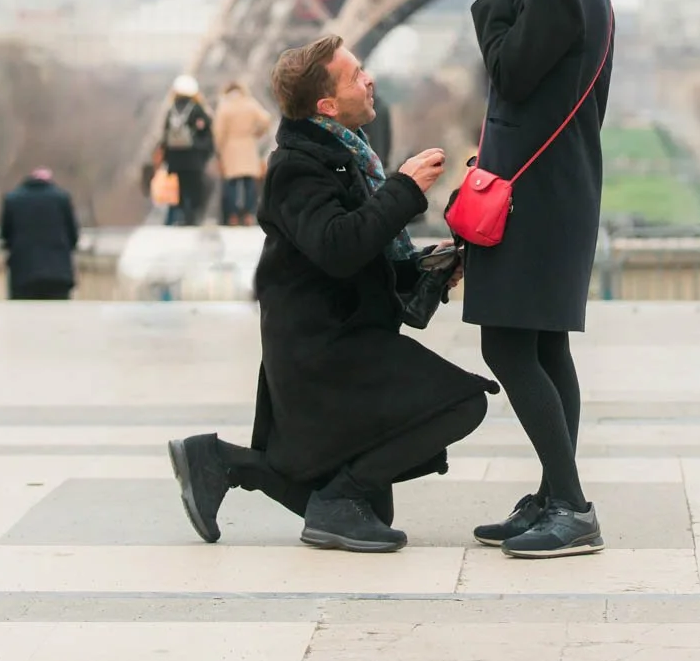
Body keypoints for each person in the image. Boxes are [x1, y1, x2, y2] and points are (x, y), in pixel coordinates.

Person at [167, 36, 494, 553]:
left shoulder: (344, 156)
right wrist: (404, 189)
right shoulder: (298, 167)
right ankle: (332, 492)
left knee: (367, 507)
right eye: (356, 74)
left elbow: (361, 252)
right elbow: (337, 247)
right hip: (323, 351)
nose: (369, 80)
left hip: (343, 338)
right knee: (464, 404)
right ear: (327, 104)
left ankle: (223, 462)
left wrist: (424, 269)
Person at [456, 0, 614, 559]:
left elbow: (512, 73)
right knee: (545, 344)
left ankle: (571, 503)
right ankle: (557, 491)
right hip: (559, 187)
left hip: (534, 195)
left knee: (507, 343)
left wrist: (496, 0)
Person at [0, 168, 78, 299]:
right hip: (58, 273)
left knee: (23, 316)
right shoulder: (62, 198)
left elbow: (5, 235)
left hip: (23, 273)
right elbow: (73, 235)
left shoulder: (12, 199)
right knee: (59, 316)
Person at [157, 75, 216, 226]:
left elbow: (165, 134)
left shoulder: (172, 109)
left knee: (181, 188)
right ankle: (192, 217)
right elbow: (207, 134)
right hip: (193, 157)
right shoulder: (197, 109)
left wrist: (166, 157)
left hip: (176, 158)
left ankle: (182, 215)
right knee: (195, 187)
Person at [215, 81, 273, 226]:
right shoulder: (250, 103)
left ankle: (233, 215)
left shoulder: (225, 106)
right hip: (248, 144)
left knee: (231, 182)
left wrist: (219, 148)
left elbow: (219, 131)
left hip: (230, 146)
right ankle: (249, 214)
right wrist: (257, 132)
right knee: (249, 182)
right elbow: (266, 119)